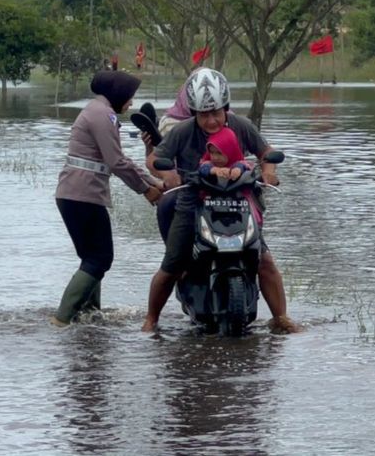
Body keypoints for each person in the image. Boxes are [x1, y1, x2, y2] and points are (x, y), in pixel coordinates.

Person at [140, 67, 299, 333]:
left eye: (216, 112)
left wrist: (269, 172)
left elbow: (266, 151)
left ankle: (281, 317)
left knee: (264, 260)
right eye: (204, 114)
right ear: (194, 113)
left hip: (238, 199)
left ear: (226, 107)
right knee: (172, 264)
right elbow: (154, 159)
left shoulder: (241, 126)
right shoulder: (182, 131)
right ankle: (151, 320)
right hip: (192, 199)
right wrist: (169, 175)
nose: (211, 120)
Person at [52, 70, 163, 327]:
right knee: (100, 259)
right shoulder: (104, 115)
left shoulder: (96, 110)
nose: (131, 103)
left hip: (74, 195)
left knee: (91, 258)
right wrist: (146, 190)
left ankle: (89, 316)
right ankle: (62, 319)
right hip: (83, 196)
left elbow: (118, 161)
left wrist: (153, 181)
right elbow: (116, 162)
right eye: (130, 97)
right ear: (118, 94)